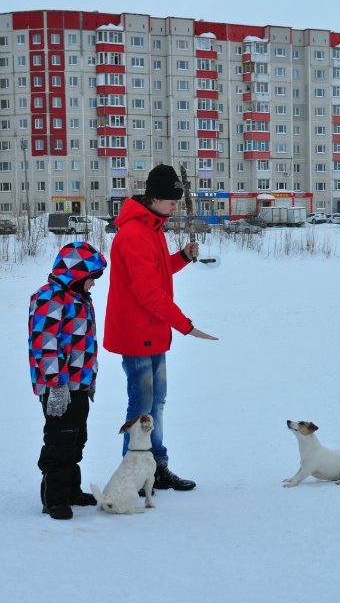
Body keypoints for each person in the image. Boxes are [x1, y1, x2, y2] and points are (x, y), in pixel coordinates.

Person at [104, 164, 218, 492]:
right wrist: (185, 325)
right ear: (154, 198)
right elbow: (148, 292)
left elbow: (157, 272)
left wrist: (181, 257)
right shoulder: (133, 234)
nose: (175, 207)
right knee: (142, 406)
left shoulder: (153, 228)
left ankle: (157, 467)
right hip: (135, 333)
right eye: (171, 201)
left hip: (154, 332)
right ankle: (134, 473)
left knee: (157, 404)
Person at [28, 241, 107, 520]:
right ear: (75, 275)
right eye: (90, 278)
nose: (93, 285)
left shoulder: (78, 298)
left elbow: (83, 342)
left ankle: (71, 489)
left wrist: (89, 376)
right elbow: (44, 344)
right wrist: (56, 384)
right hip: (59, 385)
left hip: (79, 384)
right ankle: (54, 498)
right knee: (60, 439)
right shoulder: (49, 298)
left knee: (76, 438)